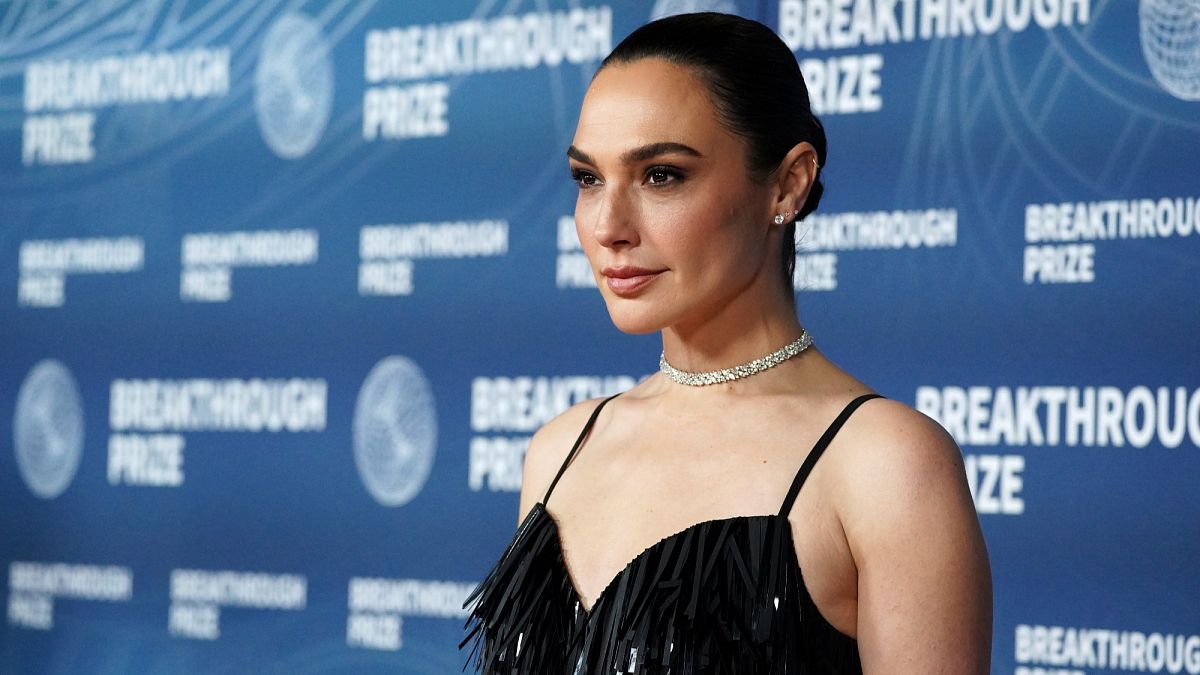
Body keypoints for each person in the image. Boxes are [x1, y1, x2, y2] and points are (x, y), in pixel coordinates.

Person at [461, 12, 991, 674]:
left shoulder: (884, 465)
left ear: (788, 183)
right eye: (588, 178)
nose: (607, 226)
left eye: (661, 175)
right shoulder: (561, 448)